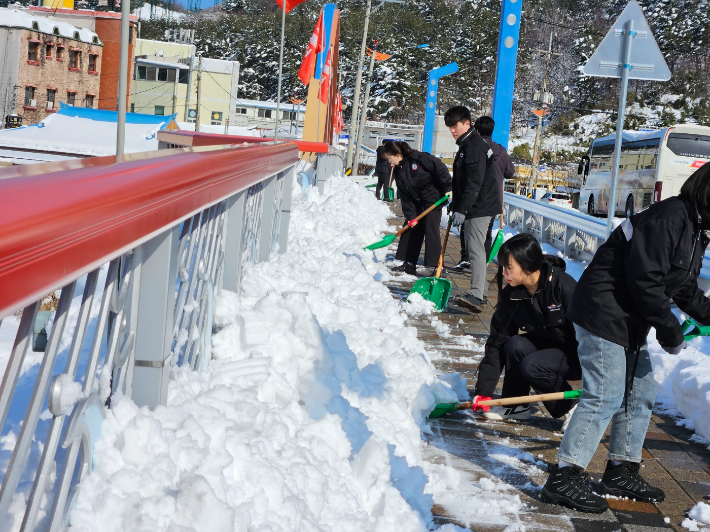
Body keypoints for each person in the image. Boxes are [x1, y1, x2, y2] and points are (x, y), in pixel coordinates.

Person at [541, 162, 710, 513]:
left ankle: (620, 469)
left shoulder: (695, 228)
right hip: (604, 312)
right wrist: (669, 329)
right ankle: (564, 477)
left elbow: (683, 285)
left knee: (641, 391)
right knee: (605, 395)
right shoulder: (669, 218)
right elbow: (646, 280)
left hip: (628, 319)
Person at [471, 233, 581, 422]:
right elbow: (497, 341)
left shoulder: (563, 286)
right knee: (514, 344)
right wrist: (483, 392)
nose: (504, 273)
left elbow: (590, 331)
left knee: (532, 366)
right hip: (548, 349)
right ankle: (516, 406)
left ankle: (573, 408)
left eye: (509, 267)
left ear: (527, 264)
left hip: (577, 354)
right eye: (502, 267)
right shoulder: (512, 294)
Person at [444, 106, 500, 310]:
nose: (452, 130)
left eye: (455, 126)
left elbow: (474, 183)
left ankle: (476, 294)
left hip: (480, 206)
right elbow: (463, 181)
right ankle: (481, 293)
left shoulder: (474, 146)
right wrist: (457, 204)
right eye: (449, 127)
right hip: (475, 205)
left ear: (467, 124)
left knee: (475, 248)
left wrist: (463, 209)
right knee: (474, 248)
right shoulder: (467, 145)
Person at [383, 140, 452, 275]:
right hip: (415, 201)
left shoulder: (419, 158)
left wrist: (448, 187)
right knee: (411, 228)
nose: (389, 162)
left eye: (390, 158)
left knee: (431, 229)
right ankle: (409, 263)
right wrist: (410, 216)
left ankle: (437, 267)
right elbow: (404, 195)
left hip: (432, 198)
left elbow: (440, 168)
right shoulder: (398, 169)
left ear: (398, 154)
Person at [474, 116, 514, 261]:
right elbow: (509, 173)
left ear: (477, 130)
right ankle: (483, 262)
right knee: (487, 232)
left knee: (472, 231)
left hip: (475, 196)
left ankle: (471, 260)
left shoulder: (473, 148)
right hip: (493, 198)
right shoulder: (501, 151)